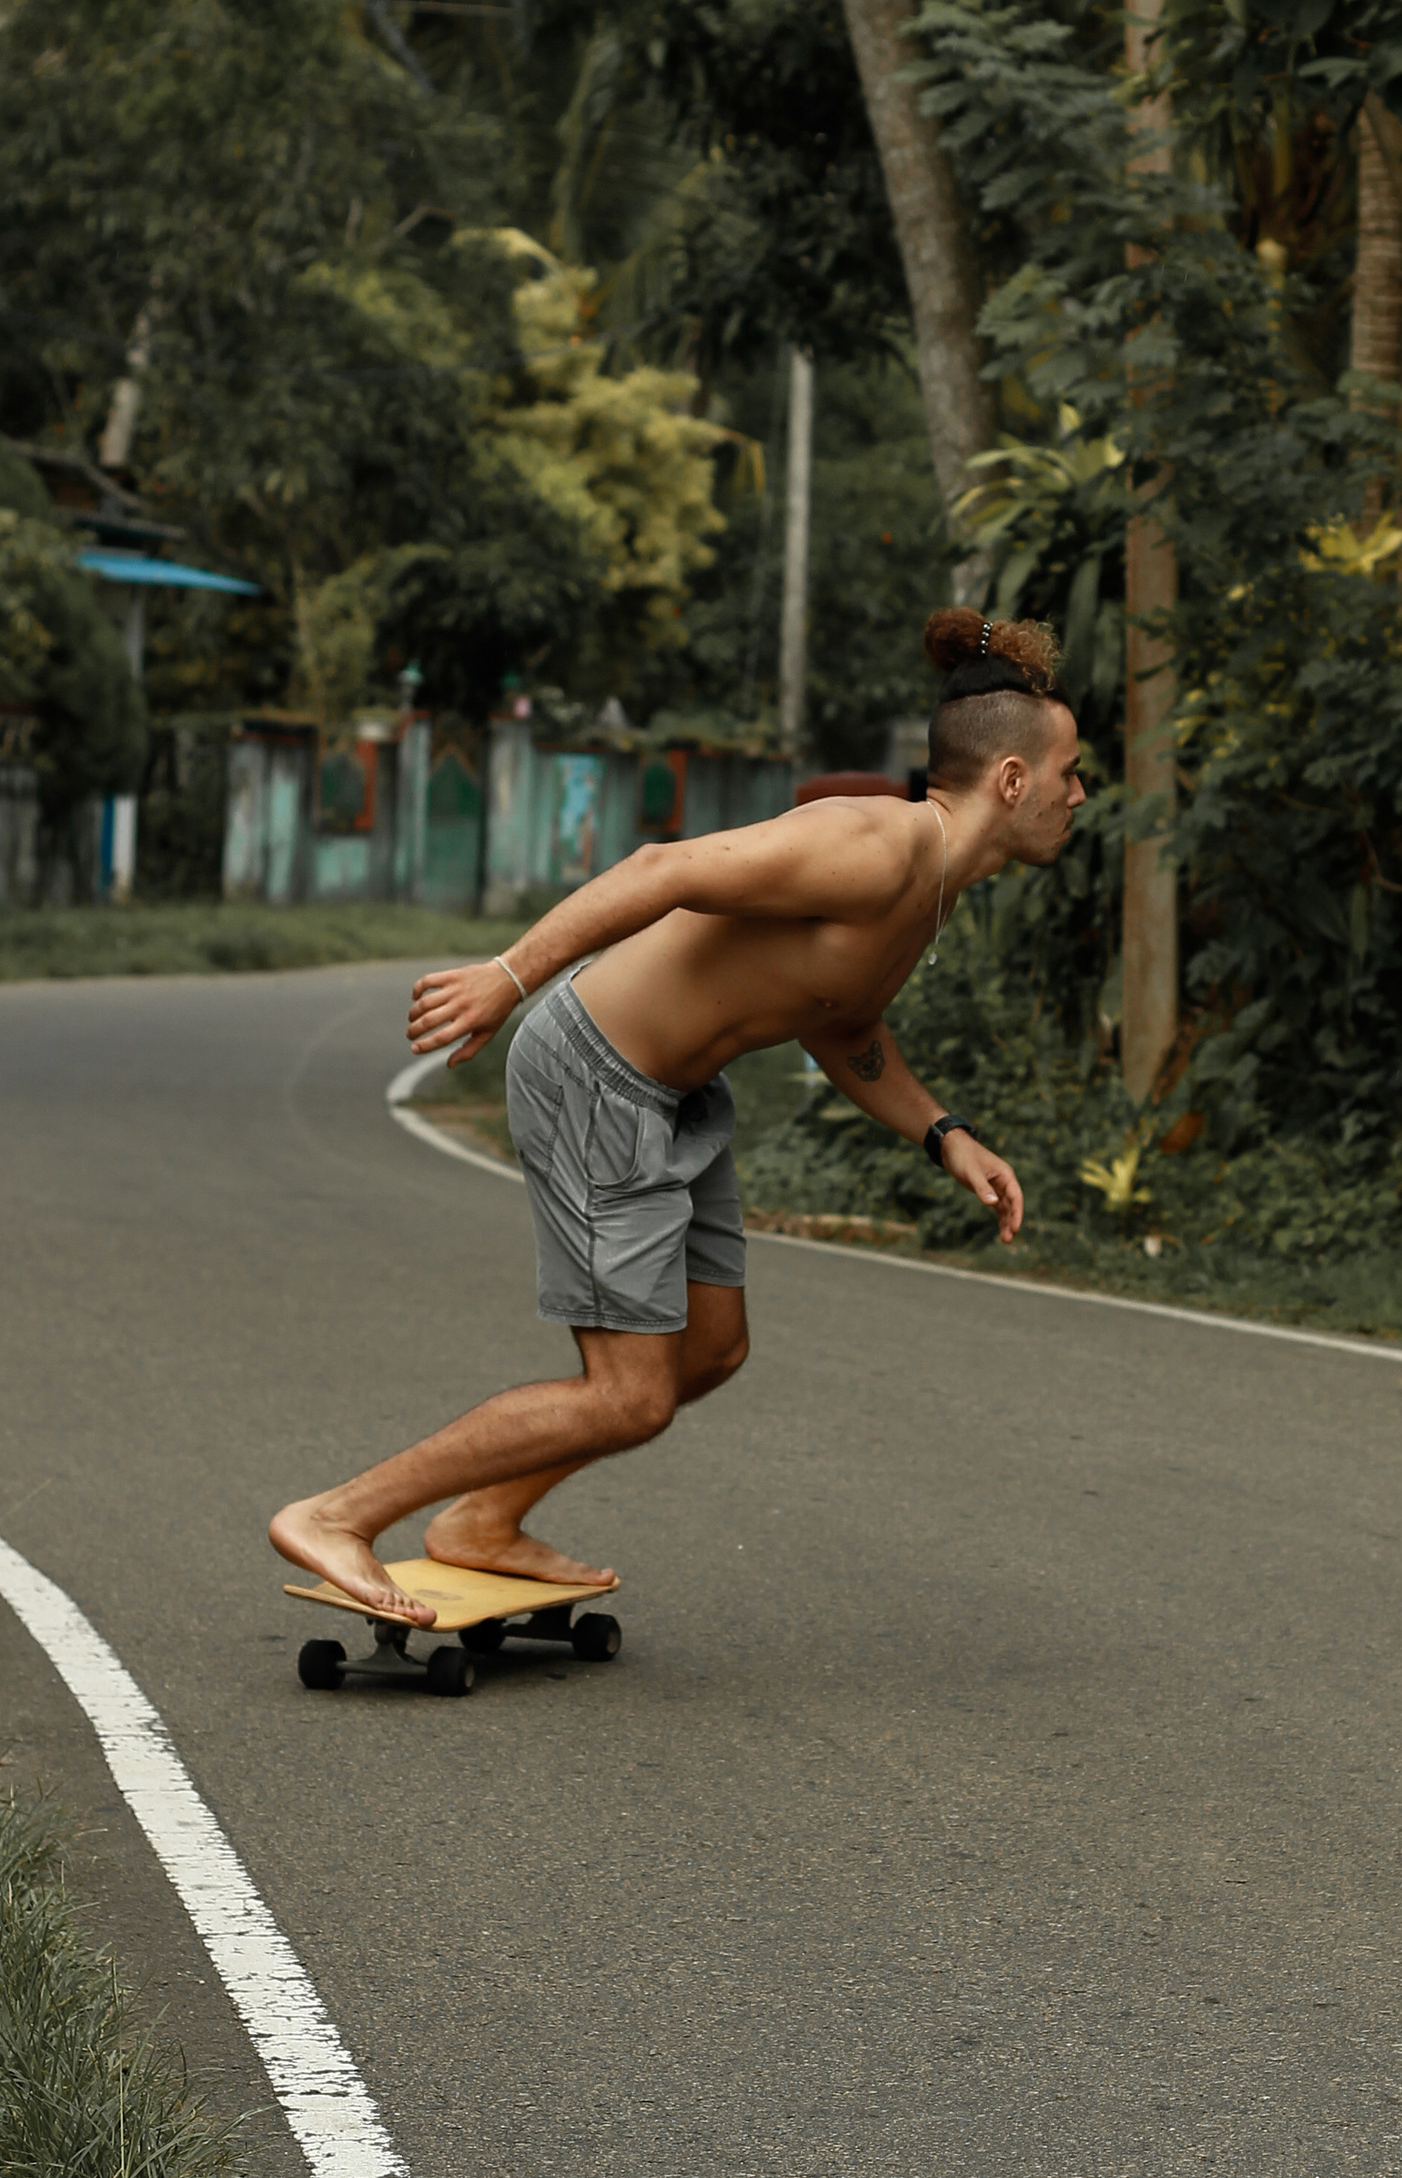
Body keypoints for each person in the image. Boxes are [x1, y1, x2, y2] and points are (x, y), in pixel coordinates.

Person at [268, 610, 1083, 1622]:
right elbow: (662, 870)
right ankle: (340, 1514)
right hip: (595, 1074)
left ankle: (481, 1521)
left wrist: (943, 1132)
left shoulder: (931, 890)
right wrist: (508, 975)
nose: (1078, 795)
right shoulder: (869, 845)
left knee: (709, 1349)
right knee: (629, 1391)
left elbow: (842, 1025)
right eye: (1068, 775)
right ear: (1010, 781)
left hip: (677, 1093)